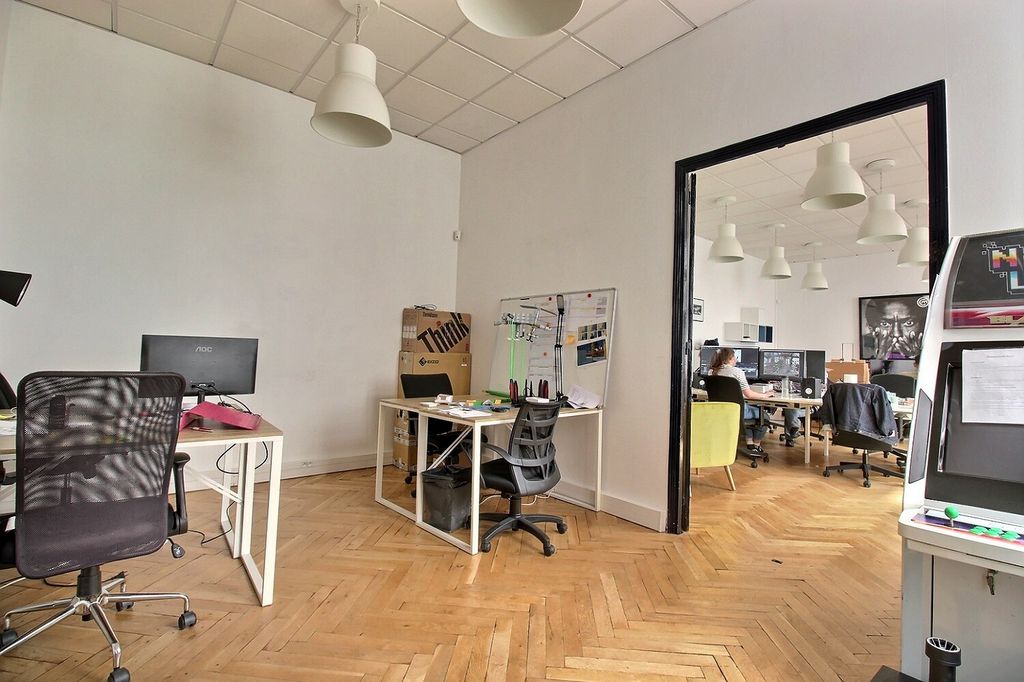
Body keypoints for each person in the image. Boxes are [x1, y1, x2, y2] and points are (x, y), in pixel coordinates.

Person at [709, 347, 775, 454]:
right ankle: (756, 444)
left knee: (747, 414)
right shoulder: (737, 372)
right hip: (738, 410)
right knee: (765, 417)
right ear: (729, 358)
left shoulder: (711, 372)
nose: (736, 359)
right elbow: (749, 395)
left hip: (720, 410)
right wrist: (766, 395)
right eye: (735, 357)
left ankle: (749, 443)